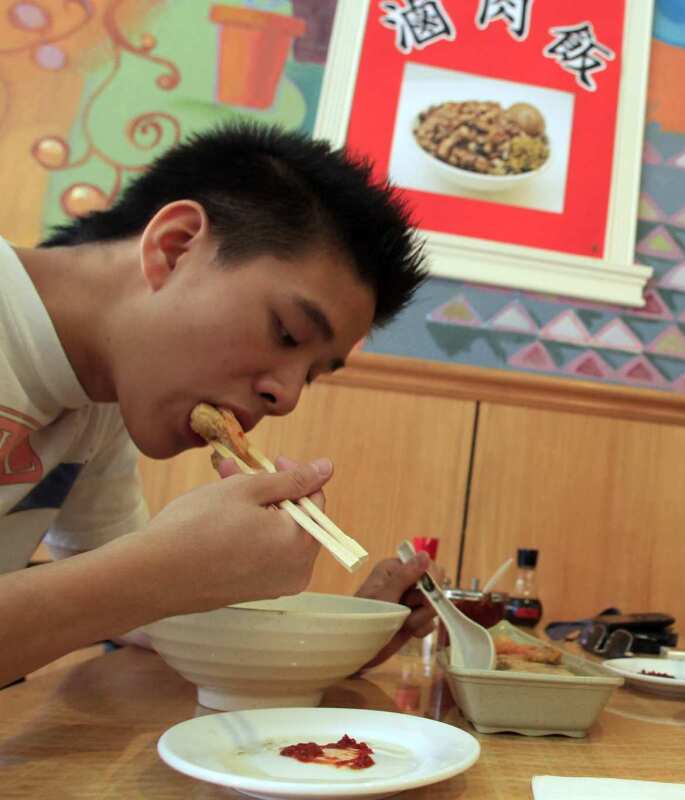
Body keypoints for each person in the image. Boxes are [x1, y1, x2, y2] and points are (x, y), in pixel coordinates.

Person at [0, 122, 437, 688]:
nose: (287, 397)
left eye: (312, 374)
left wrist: (357, 631)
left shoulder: (103, 400)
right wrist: (161, 572)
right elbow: (131, 591)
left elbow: (138, 617)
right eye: (286, 333)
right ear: (175, 247)